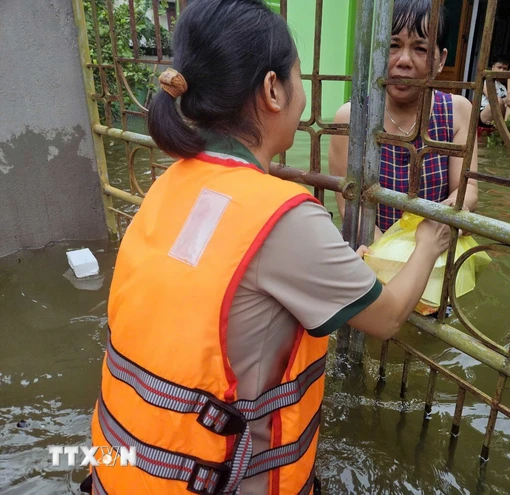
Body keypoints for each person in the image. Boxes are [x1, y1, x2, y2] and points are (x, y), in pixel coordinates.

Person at [82, 1, 452, 494]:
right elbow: (385, 320)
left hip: (121, 471)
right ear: (273, 89)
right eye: (298, 78)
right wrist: (429, 241)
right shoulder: (285, 216)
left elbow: (228, 285)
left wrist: (338, 269)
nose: (303, 98)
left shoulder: (172, 180)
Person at [329, 0, 478, 240]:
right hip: (369, 248)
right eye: (392, 45)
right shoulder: (350, 118)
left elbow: (467, 189)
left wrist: (444, 219)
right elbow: (349, 206)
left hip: (433, 245)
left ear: (441, 60)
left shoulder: (458, 112)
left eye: (420, 48)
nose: (404, 60)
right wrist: (389, 258)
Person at [479, 55, 509, 127]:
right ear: (493, 67)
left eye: (504, 68)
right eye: (499, 67)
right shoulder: (485, 81)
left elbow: (507, 103)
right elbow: (492, 98)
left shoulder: (503, 87)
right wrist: (503, 101)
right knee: (497, 101)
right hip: (482, 112)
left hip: (497, 116)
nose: (501, 70)